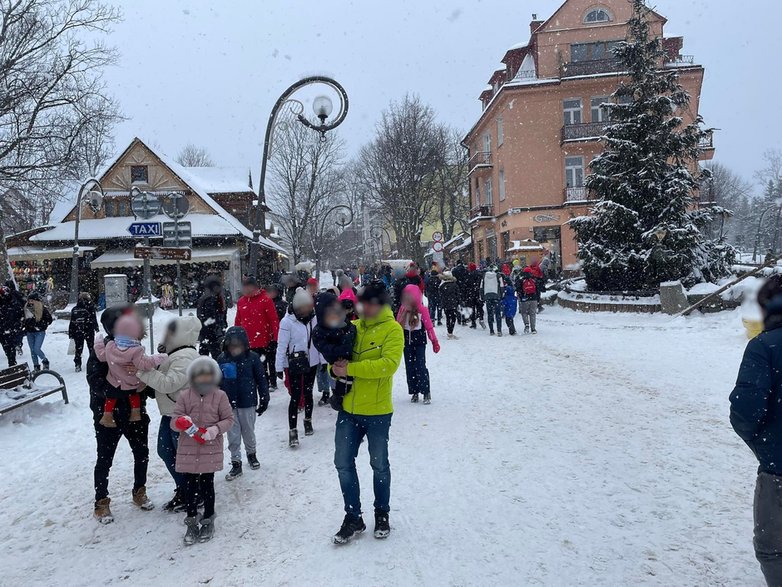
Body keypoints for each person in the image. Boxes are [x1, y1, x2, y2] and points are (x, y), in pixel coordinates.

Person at [330, 281, 404, 544]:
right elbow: (336, 363)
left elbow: (388, 365)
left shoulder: (393, 330)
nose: (366, 307)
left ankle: (381, 513)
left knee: (379, 465)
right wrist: (335, 369)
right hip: (349, 410)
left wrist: (350, 369)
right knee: (343, 463)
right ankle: (353, 517)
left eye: (371, 302)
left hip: (377, 412)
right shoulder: (352, 328)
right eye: (363, 302)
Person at [730, 275, 782, 585]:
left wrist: (763, 444)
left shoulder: (765, 346)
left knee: (774, 550)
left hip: (779, 472)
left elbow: (746, 412)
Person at [87, 305, 154, 524]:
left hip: (135, 413)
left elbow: (146, 374)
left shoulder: (134, 347)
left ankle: (139, 491)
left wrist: (146, 380)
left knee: (141, 453)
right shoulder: (102, 351)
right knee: (105, 459)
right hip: (108, 415)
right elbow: (96, 382)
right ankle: (101, 501)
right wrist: (128, 387)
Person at [136, 315, 202, 512]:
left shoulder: (186, 357)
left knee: (178, 455)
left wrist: (142, 371)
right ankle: (186, 488)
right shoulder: (177, 355)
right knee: (166, 451)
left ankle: (192, 492)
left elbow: (168, 383)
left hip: (181, 415)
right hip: (171, 413)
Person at [171, 357, 234, 545]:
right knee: (189, 486)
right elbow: (174, 421)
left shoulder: (220, 396)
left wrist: (214, 430)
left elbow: (228, 419)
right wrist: (180, 423)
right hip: (188, 449)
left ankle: (208, 518)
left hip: (210, 448)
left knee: (207, 484)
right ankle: (191, 520)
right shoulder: (184, 396)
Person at [95, 313, 167, 427]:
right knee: (134, 395)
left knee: (111, 398)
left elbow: (101, 356)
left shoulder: (110, 346)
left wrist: (98, 343)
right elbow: (144, 364)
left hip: (114, 383)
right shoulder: (136, 350)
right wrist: (158, 358)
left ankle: (107, 415)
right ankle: (135, 413)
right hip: (132, 383)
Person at [217, 326, 269, 481]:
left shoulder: (252, 358)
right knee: (232, 433)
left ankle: (251, 454)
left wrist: (264, 397)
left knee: (248, 430)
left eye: (237, 345)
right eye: (231, 345)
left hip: (248, 401)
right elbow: (217, 382)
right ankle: (236, 461)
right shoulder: (222, 359)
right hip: (228, 404)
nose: (234, 348)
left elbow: (261, 379)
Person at [276, 288, 323, 447]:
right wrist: (279, 366)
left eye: (309, 306)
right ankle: (293, 430)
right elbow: (281, 346)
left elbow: (319, 341)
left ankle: (308, 420)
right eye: (305, 307)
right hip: (295, 362)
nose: (308, 310)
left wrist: (322, 360)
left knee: (309, 392)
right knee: (295, 396)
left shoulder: (314, 319)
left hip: (312, 361)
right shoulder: (287, 322)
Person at [312, 291, 357, 411]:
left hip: (349, 357)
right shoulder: (319, 331)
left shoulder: (343, 322)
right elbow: (323, 347)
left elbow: (352, 330)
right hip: (335, 360)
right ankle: (337, 397)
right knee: (341, 381)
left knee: (348, 381)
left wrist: (347, 339)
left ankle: (339, 397)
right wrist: (339, 351)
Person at [396, 284, 440, 404]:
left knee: (420, 366)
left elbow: (429, 327)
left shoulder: (422, 309)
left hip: (419, 341)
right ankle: (414, 391)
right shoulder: (403, 309)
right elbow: (396, 326)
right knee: (410, 368)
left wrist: (434, 341)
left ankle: (426, 391)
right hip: (407, 341)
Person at [234, 276, 280, 390]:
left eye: (250, 288)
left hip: (265, 339)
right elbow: (238, 320)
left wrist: (275, 338)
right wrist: (236, 337)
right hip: (248, 341)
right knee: (253, 367)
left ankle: (270, 383)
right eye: (245, 288)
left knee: (266, 364)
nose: (248, 291)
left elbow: (273, 320)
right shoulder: (241, 302)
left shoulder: (265, 299)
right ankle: (258, 385)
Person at [196, 275, 227, 359]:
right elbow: (213, 318)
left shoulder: (204, 297)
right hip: (212, 335)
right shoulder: (212, 298)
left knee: (203, 358)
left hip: (204, 333)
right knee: (218, 358)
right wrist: (219, 333)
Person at [69, 292, 99, 372]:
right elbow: (93, 318)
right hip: (88, 330)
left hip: (77, 331)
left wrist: (71, 332)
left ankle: (78, 364)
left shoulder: (75, 309)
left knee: (78, 348)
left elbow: (72, 322)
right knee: (91, 347)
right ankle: (93, 363)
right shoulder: (90, 307)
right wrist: (96, 327)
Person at [23, 292, 52, 372]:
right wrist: (26, 324)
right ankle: (36, 365)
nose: (30, 302)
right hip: (30, 332)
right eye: (29, 300)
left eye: (32, 300)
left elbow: (49, 320)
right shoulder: (26, 308)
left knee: (36, 348)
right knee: (32, 350)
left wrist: (41, 325)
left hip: (39, 331)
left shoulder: (42, 308)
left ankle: (45, 361)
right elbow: (23, 319)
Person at [0, 284, 24, 367]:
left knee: (8, 347)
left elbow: (20, 314)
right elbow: (20, 313)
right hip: (8, 329)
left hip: (7, 329)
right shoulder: (14, 302)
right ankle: (12, 362)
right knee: (9, 347)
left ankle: (12, 362)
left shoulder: (14, 303)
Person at [480, 265, 504, 336]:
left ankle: (491, 330)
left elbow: (481, 287)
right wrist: (501, 295)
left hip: (487, 296)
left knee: (490, 314)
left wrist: (482, 296)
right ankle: (499, 330)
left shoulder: (484, 276)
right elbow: (502, 286)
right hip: (496, 296)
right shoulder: (498, 275)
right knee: (498, 314)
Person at [439, 271, 461, 340]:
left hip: (446, 304)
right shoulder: (455, 285)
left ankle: (449, 332)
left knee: (448, 318)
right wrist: (458, 302)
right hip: (453, 304)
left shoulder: (442, 286)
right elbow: (458, 295)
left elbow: (440, 295)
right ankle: (451, 331)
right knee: (453, 318)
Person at [516, 267, 539, 334]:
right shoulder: (534, 279)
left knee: (524, 312)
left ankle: (526, 324)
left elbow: (518, 289)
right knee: (532, 314)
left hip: (525, 298)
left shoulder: (521, 280)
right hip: (534, 298)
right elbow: (538, 290)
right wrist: (537, 298)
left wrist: (521, 296)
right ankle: (533, 329)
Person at [465, 263, 485, 330]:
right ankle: (481, 318)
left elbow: (467, 284)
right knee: (479, 307)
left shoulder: (469, 275)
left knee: (472, 308)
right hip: (478, 293)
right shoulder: (479, 274)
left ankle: (473, 323)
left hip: (471, 293)